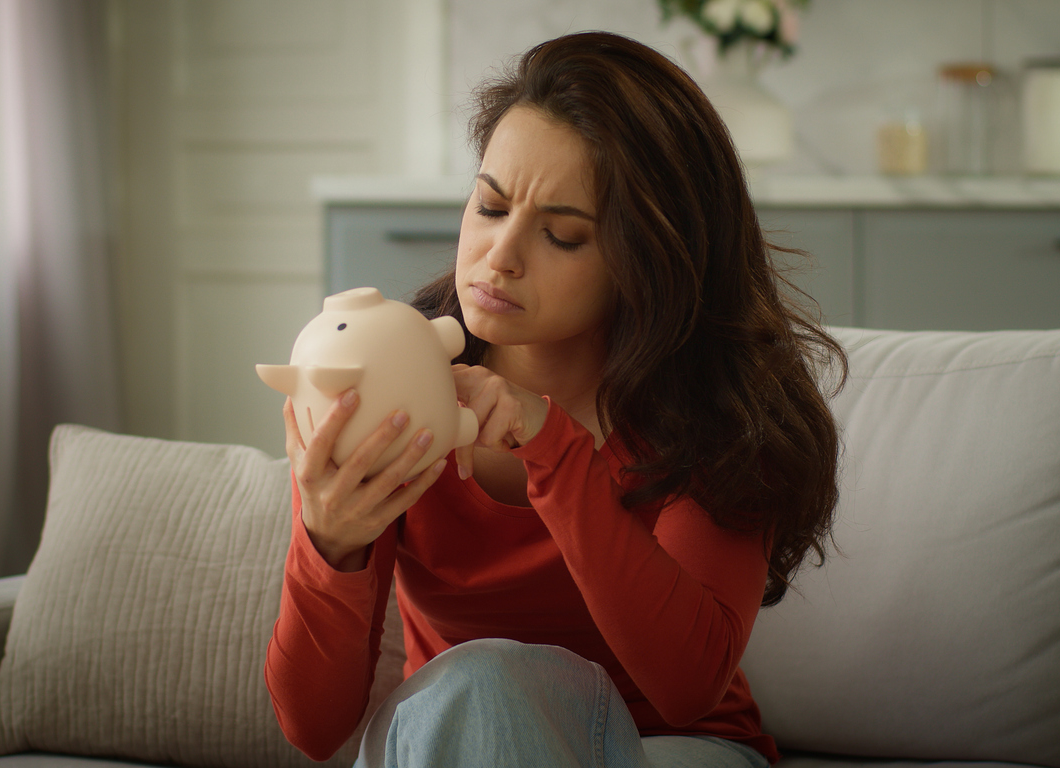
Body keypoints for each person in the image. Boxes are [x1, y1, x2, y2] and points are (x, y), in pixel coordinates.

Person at [264, 31, 844, 768]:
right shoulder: (392, 377)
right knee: (478, 689)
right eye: (490, 206)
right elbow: (312, 729)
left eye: (562, 236)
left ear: (651, 259)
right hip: (458, 736)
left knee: (486, 684)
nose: (500, 256)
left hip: (666, 750)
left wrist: (552, 447)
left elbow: (687, 686)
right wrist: (328, 544)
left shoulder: (720, 408)